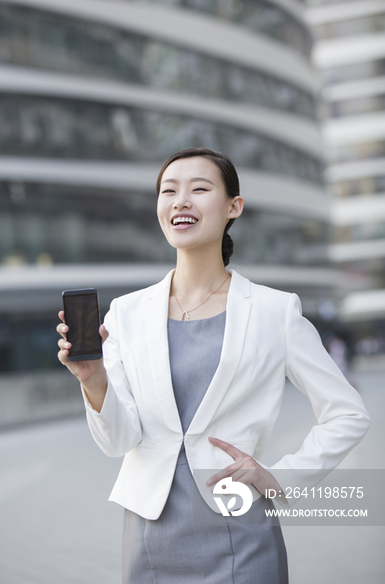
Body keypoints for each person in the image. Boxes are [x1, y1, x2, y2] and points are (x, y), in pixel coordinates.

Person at [57, 147, 370, 583]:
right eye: (169, 191)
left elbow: (348, 413)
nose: (181, 200)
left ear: (232, 207)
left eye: (199, 189)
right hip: (150, 536)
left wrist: (281, 476)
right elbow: (118, 441)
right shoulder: (125, 315)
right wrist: (94, 382)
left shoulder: (273, 311)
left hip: (241, 529)